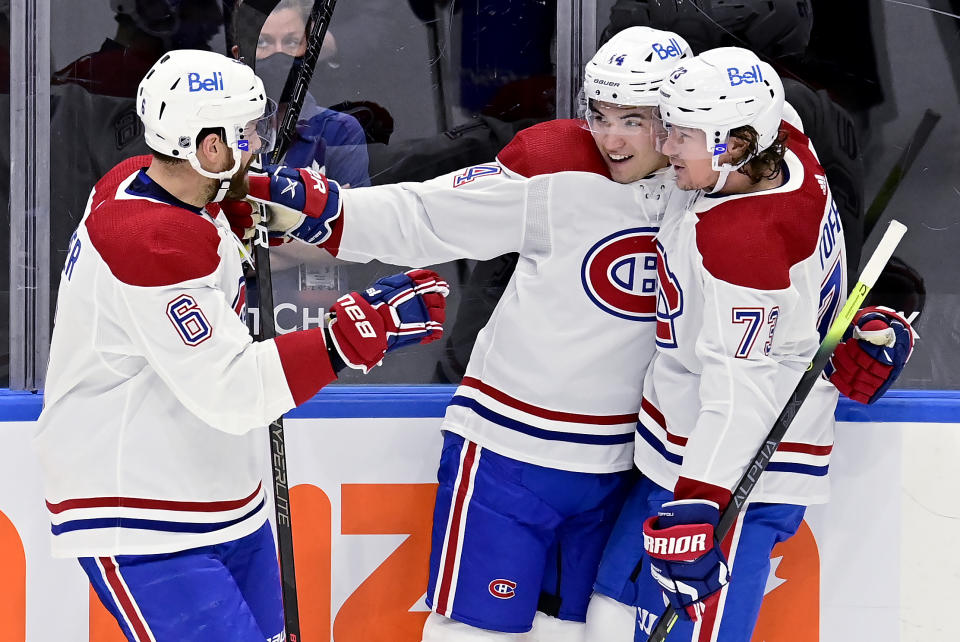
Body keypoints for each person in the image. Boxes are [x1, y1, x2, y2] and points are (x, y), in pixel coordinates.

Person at [224, 28, 914, 641]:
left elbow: (784, 293)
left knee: (590, 628)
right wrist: (331, 214)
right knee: (476, 630)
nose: (611, 137)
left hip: (625, 465)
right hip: (513, 446)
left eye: (638, 120)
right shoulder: (568, 164)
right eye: (600, 113)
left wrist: (842, 337)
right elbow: (430, 215)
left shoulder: (715, 181)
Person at [34, 49, 448, 642]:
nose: (262, 139)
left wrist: (240, 208)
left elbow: (203, 222)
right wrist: (346, 340)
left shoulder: (136, 180)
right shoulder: (149, 240)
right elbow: (231, 389)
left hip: (219, 489)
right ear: (208, 148)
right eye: (249, 131)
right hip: (139, 507)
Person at [583, 47, 914, 641]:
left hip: (732, 470)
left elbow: (742, 392)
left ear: (732, 145)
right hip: (684, 450)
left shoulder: (743, 245)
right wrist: (858, 322)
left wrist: (701, 503)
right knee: (611, 605)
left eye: (681, 135)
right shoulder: (782, 133)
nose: (665, 144)